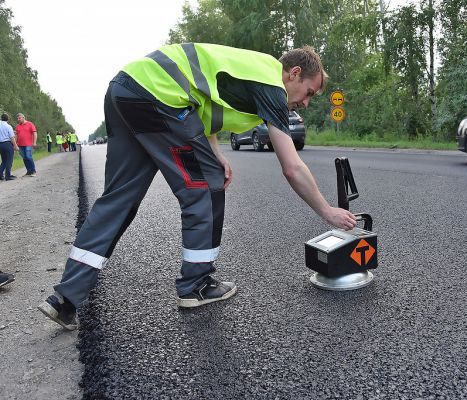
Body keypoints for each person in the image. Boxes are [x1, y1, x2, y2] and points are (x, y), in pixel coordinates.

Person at [38, 43, 356, 330]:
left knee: (118, 201)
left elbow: (203, 112)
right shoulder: (272, 83)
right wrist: (326, 211)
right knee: (203, 188)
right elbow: (292, 166)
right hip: (159, 95)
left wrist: (217, 154)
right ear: (294, 73)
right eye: (310, 92)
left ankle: (64, 299)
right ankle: (196, 285)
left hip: (125, 89)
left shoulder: (248, 70)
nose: (307, 102)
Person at [0, 113, 19, 181]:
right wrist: (15, 146)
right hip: (7, 144)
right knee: (9, 160)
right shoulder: (8, 126)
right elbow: (12, 137)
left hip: (0, 144)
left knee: (4, 160)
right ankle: (8, 176)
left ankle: (0, 175)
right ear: (8, 119)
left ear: (1, 118)